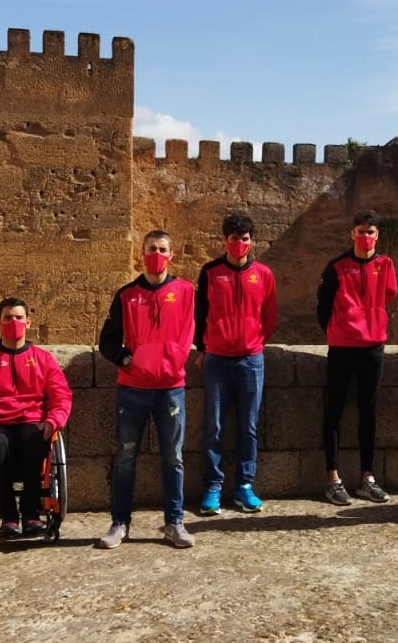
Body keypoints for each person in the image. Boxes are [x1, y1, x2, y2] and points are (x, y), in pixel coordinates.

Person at [95, 230, 197, 550]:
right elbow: (108, 341)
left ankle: (174, 522)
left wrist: (171, 363)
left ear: (172, 254)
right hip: (133, 387)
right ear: (142, 254)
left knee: (174, 458)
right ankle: (120, 522)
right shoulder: (126, 295)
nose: (157, 253)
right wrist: (127, 359)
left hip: (170, 388)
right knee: (125, 457)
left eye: (162, 249)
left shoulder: (185, 291)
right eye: (152, 248)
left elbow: (189, 332)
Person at [0, 298, 72, 537]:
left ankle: (30, 512)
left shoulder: (43, 359)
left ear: (28, 323)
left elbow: (61, 396)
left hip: (31, 421)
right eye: (8, 317)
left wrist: (53, 421)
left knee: (36, 438)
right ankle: (7, 514)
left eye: (18, 317)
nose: (13, 322)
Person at [195, 213, 278, 516]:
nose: (239, 243)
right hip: (216, 358)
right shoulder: (210, 272)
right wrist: (202, 348)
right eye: (233, 238)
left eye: (244, 239)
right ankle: (213, 487)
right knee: (214, 426)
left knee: (249, 427)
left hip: (250, 359)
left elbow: (269, 315)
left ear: (251, 241)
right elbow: (199, 311)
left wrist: (255, 342)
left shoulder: (264, 275)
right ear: (224, 240)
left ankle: (244, 486)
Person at [316, 209, 398, 505]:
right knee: (334, 411)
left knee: (368, 412)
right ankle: (333, 478)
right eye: (361, 231)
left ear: (378, 235)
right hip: (342, 347)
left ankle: (367, 477)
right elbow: (323, 308)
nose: (365, 236)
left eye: (371, 232)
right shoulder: (336, 267)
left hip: (373, 347)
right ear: (352, 233)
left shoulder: (385, 264)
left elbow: (388, 296)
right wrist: (340, 331)